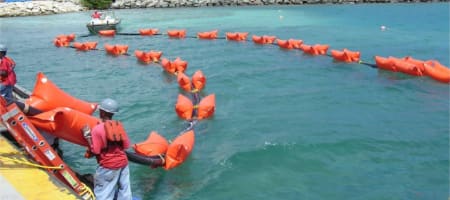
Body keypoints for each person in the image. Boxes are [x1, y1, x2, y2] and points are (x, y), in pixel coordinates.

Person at [82, 98, 132, 200]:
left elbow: (95, 151)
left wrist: (87, 136)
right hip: (123, 163)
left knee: (104, 194)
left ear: (102, 112)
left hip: (108, 166)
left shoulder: (97, 129)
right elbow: (126, 145)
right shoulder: (119, 126)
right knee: (125, 191)